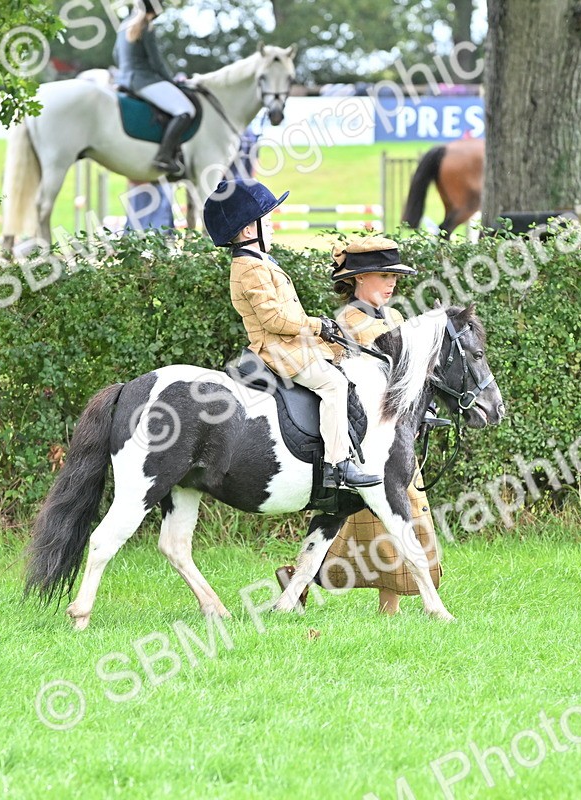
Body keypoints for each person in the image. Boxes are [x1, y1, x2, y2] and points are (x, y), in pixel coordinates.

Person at [276, 236, 442, 613]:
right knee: (382, 525)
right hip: (365, 440)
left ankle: (385, 604)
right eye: (384, 275)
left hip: (392, 435)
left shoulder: (395, 317)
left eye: (395, 276)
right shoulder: (351, 321)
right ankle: (301, 582)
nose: (392, 283)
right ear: (358, 278)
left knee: (397, 520)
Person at [203, 178, 381, 489]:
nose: (271, 229)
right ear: (248, 231)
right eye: (267, 223)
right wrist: (316, 326)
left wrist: (323, 330)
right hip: (278, 350)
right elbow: (273, 319)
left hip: (291, 344)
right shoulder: (250, 268)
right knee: (334, 384)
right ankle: (337, 466)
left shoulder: (258, 261)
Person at [113, 1, 195, 177]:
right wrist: (172, 82)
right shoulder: (147, 26)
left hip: (125, 80)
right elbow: (156, 62)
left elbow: (116, 55)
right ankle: (164, 156)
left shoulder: (124, 24)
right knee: (186, 110)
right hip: (144, 80)